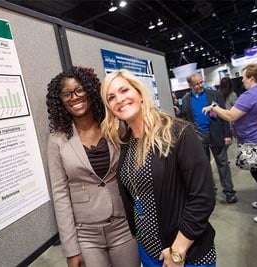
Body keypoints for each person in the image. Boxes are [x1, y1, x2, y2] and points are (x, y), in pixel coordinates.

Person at [101, 69, 216, 267]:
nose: (119, 99)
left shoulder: (177, 133)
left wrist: (178, 250)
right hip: (148, 250)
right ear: (110, 108)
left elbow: (203, 197)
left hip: (185, 253)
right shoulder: (127, 143)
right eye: (111, 97)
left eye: (124, 90)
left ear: (139, 94)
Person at [46, 66, 140, 267]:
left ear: (89, 90)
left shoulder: (115, 126)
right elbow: (60, 194)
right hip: (85, 234)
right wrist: (71, 249)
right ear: (60, 100)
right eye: (67, 94)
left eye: (79, 90)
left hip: (122, 225)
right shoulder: (57, 141)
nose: (74, 97)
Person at [202, 63, 257, 223]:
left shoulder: (251, 95)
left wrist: (214, 108)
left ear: (252, 78)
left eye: (244, 77)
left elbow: (230, 115)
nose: (242, 80)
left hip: (255, 139)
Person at [181, 73, 237, 204]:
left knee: (223, 164)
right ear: (190, 85)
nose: (201, 85)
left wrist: (227, 135)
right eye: (197, 84)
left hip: (216, 134)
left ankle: (229, 192)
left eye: (201, 82)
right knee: (204, 166)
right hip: (199, 137)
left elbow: (225, 115)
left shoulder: (214, 94)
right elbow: (186, 118)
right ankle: (210, 190)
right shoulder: (186, 99)